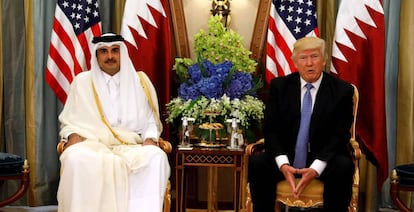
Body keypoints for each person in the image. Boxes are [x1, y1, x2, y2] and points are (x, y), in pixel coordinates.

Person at [56, 33, 170, 212]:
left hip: (131, 146)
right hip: (92, 144)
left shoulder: (140, 81)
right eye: (103, 51)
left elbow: (150, 121)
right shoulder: (82, 82)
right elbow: (70, 120)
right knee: (75, 158)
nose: (110, 56)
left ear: (122, 53)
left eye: (115, 50)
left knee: (156, 157)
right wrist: (72, 135)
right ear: (96, 55)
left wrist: (150, 139)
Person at [248, 37, 355, 212]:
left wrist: (315, 168)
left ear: (324, 59)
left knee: (343, 166)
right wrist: (283, 164)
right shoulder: (280, 87)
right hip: (286, 155)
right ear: (295, 62)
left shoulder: (342, 91)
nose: (309, 63)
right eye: (303, 58)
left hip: (323, 158)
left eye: (315, 56)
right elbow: (270, 129)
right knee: (258, 162)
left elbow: (339, 135)